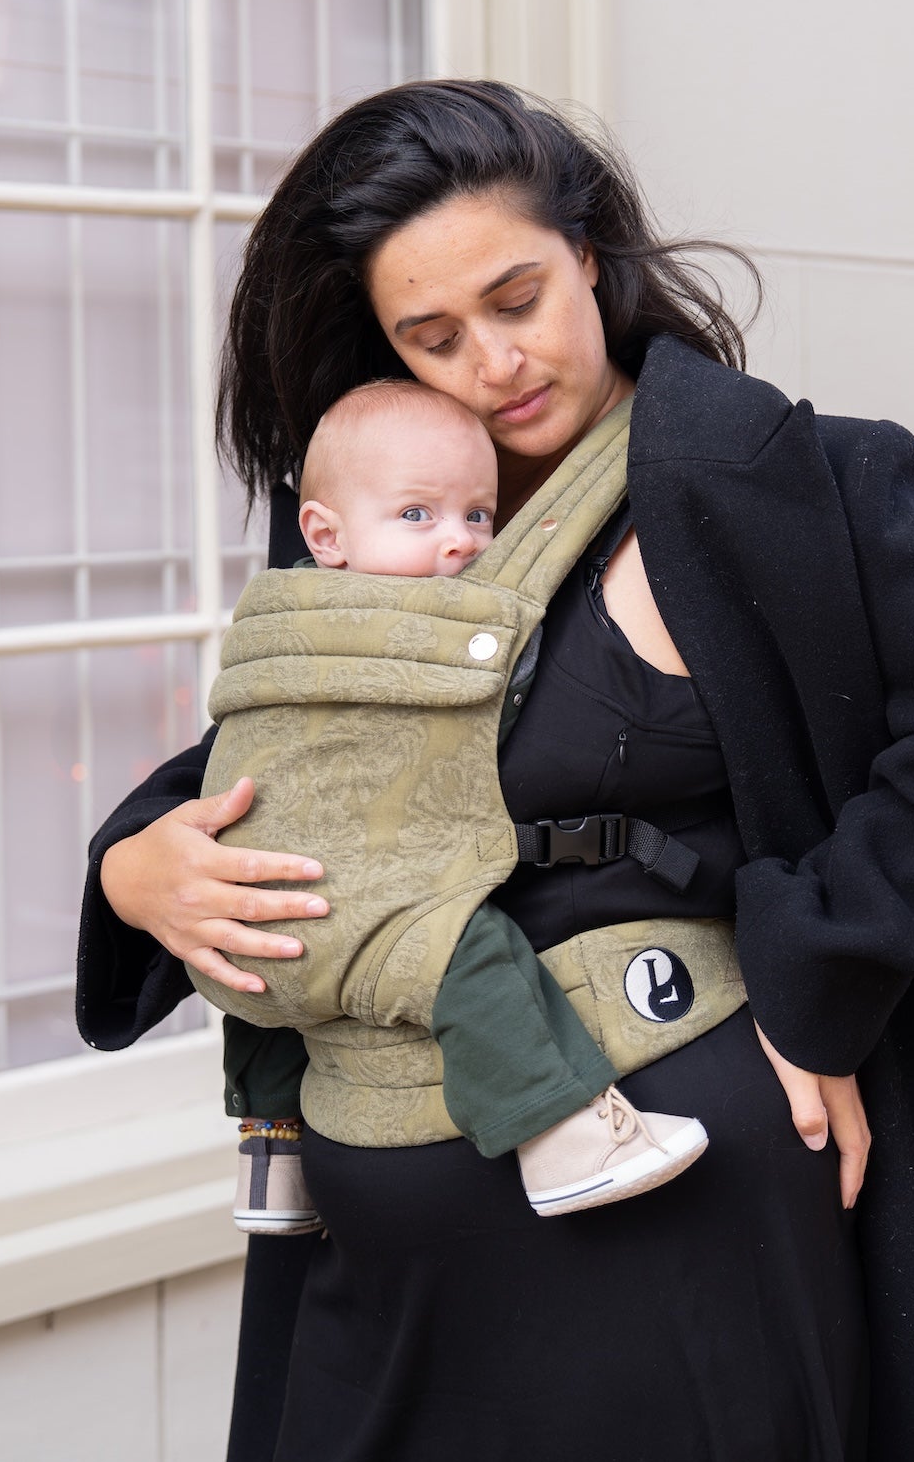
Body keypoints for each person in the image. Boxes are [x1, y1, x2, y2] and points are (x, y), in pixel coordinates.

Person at [78, 80, 914, 1462]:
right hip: (387, 1268)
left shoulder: (771, 482)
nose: (493, 362)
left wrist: (817, 976)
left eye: (516, 296)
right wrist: (138, 863)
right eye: (431, 337)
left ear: (590, 251)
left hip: (678, 1259)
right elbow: (281, 744)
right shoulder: (392, 511)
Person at [209, 374, 707, 1234]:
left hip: (259, 911)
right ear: (322, 535)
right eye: (418, 515)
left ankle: (273, 1160)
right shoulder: (394, 628)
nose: (459, 543)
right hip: (342, 904)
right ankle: (563, 1138)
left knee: (261, 1000)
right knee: (479, 963)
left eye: (478, 515)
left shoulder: (276, 624)